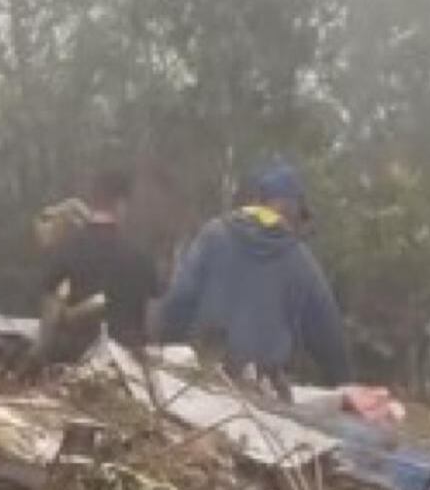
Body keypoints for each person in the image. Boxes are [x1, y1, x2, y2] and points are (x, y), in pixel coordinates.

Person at [153, 158, 350, 392]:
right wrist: (346, 385)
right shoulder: (299, 260)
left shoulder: (213, 235)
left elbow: (178, 301)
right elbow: (328, 336)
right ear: (294, 211)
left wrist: (164, 348)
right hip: (262, 389)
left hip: (205, 379)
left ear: (258, 202)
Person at [33, 167, 159, 350]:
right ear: (121, 205)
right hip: (128, 362)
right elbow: (152, 326)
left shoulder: (65, 251)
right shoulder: (142, 258)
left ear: (93, 201)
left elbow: (49, 323)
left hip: (73, 361)